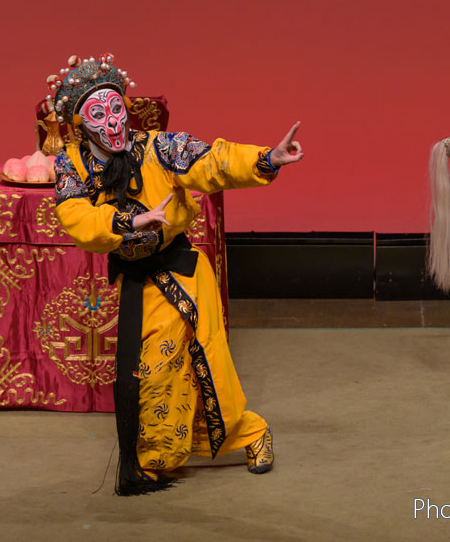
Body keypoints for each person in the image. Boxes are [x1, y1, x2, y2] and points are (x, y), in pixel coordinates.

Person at [49, 53, 302, 495]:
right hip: (136, 280)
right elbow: (75, 217)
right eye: (97, 113)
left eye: (115, 108)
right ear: (80, 124)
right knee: (167, 374)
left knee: (178, 366)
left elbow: (212, 161)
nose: (111, 122)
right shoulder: (72, 165)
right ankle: (234, 436)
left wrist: (267, 159)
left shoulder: (160, 147)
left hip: (179, 275)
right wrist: (129, 222)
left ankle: (177, 453)